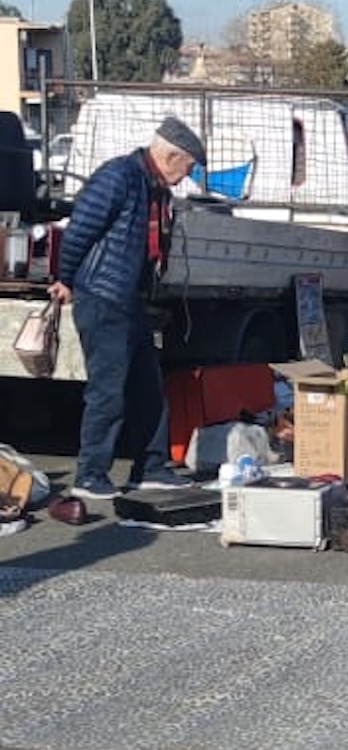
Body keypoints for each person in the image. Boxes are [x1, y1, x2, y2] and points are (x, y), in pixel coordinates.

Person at [51, 117, 205, 500]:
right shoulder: (119, 176)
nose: (185, 177)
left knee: (146, 386)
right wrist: (65, 278)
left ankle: (151, 467)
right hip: (103, 296)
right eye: (186, 168)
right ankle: (90, 473)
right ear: (172, 155)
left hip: (130, 300)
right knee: (109, 389)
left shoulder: (151, 185)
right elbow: (80, 229)